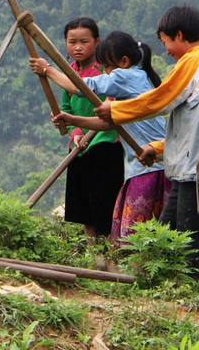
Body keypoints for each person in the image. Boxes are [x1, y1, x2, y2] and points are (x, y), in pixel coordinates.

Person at [94, 5, 199, 283]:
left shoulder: (197, 60)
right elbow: (189, 125)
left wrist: (116, 112)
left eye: (166, 42)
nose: (167, 50)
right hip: (189, 164)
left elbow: (161, 99)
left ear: (180, 35)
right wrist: (156, 149)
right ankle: (153, 282)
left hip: (196, 166)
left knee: (188, 231)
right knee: (167, 229)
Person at [31, 31, 171, 243]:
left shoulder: (124, 77)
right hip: (155, 163)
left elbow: (78, 87)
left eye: (107, 67)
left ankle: (127, 275)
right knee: (145, 231)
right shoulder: (139, 75)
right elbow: (108, 122)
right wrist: (72, 120)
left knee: (133, 236)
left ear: (123, 62)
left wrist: (47, 69)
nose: (105, 72)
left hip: (149, 166)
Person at [34, 17, 124, 240]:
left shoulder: (104, 71)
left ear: (97, 42)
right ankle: (94, 260)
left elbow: (97, 100)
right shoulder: (70, 70)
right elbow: (65, 106)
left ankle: (112, 259)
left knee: (106, 208)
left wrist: (48, 71)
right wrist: (73, 131)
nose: (78, 47)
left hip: (104, 143)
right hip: (79, 147)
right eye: (72, 42)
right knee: (84, 211)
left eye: (84, 41)